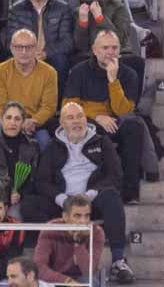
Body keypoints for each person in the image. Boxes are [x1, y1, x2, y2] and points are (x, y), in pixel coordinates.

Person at [35, 102, 134, 282]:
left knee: (112, 197)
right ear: (62, 123)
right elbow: (42, 181)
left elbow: (116, 175)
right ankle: (45, 260)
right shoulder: (53, 146)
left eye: (80, 116)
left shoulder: (101, 142)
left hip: (92, 199)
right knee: (31, 205)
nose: (76, 121)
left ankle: (118, 260)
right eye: (70, 118)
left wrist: (91, 194)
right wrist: (62, 199)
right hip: (64, 202)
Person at [63, 28, 144, 201]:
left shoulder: (129, 74)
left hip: (116, 121)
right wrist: (96, 116)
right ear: (94, 50)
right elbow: (69, 106)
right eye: (105, 48)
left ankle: (130, 192)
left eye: (114, 48)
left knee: (134, 126)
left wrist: (113, 81)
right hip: (86, 121)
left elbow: (124, 111)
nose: (110, 52)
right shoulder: (79, 71)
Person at [0, 29, 58, 145]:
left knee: (44, 140)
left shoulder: (49, 72)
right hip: (7, 120)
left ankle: (25, 164)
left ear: (36, 48)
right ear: (11, 48)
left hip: (34, 123)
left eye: (29, 47)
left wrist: (33, 121)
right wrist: (16, 122)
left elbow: (49, 107)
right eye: (19, 47)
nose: (24, 52)